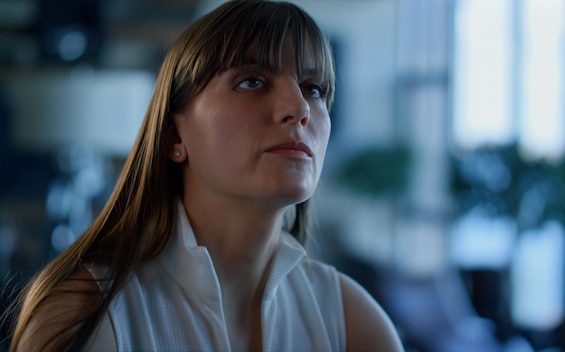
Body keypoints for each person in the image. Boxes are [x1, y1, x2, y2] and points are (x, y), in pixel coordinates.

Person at [10, 1, 404, 351]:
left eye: (314, 88)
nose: (298, 108)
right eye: (252, 81)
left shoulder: (354, 325)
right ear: (174, 135)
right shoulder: (85, 318)